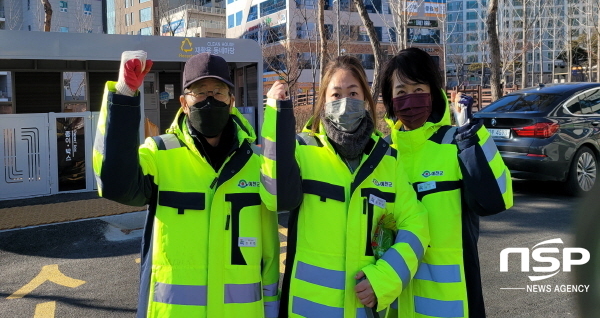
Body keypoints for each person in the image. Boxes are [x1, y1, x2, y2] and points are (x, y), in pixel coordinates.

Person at [93, 51, 280, 318]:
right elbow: (114, 182)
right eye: (200, 92)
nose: (210, 99)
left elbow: (271, 254)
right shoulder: (160, 155)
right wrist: (124, 96)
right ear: (183, 102)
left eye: (218, 92)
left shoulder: (258, 163)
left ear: (231, 102)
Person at [261, 56, 429, 318]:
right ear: (324, 102)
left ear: (365, 100)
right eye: (336, 94)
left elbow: (416, 224)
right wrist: (275, 114)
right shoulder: (303, 152)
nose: (344, 102)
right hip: (307, 310)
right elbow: (276, 197)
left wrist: (384, 278)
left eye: (352, 93)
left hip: (364, 310)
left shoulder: (387, 161)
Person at [380, 47, 513, 317]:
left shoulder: (456, 141)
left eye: (419, 90)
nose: (410, 99)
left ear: (433, 92)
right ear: (390, 99)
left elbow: (497, 198)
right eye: (401, 92)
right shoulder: (381, 154)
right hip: (392, 301)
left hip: (452, 304)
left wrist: (470, 136)